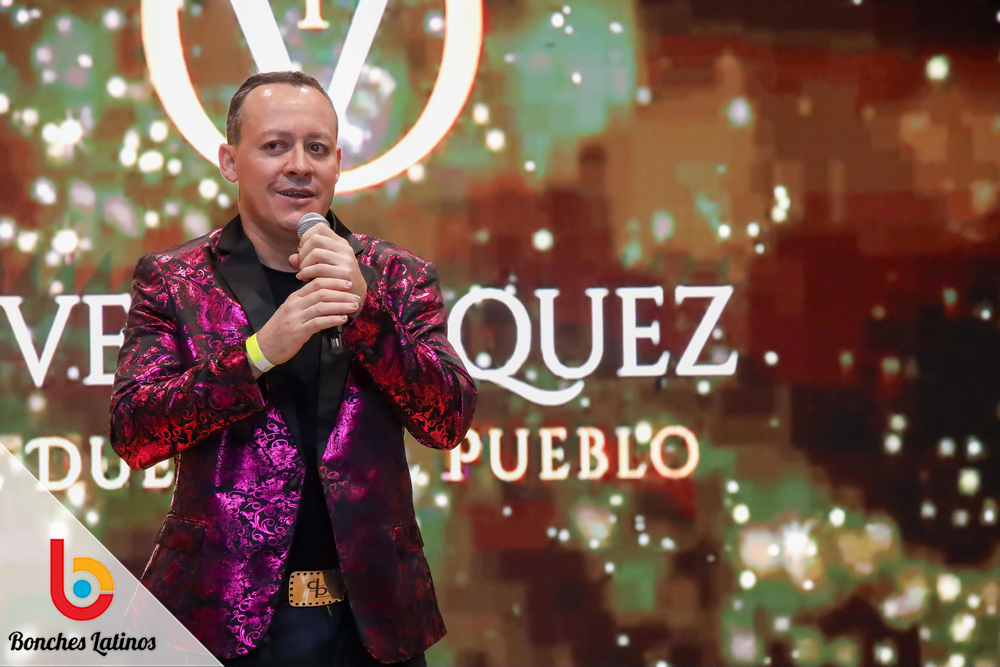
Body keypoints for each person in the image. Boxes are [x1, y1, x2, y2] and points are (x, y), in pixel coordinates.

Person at [109, 70, 477, 666]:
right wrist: (257, 353)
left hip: (374, 623)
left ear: (338, 163)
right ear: (230, 161)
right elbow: (134, 431)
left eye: (317, 148)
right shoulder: (175, 280)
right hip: (222, 618)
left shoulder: (395, 276)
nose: (299, 166)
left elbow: (449, 420)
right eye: (275, 146)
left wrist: (366, 314)